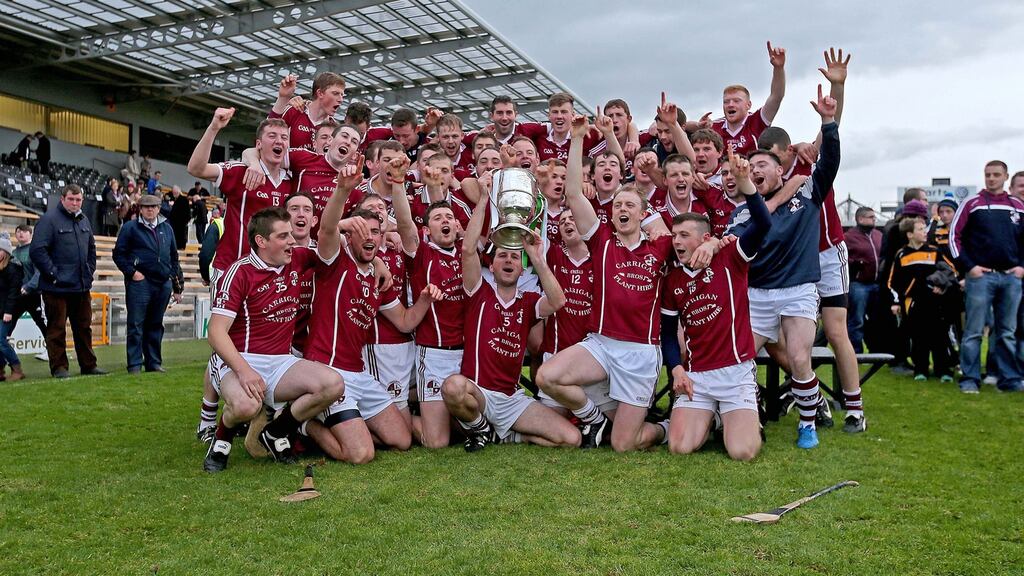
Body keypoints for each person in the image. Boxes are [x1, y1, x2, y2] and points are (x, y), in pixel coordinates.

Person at [536, 114, 676, 452]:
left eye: (630, 204)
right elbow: (572, 192)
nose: (622, 208)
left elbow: (694, 238)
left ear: (644, 214)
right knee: (546, 377)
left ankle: (665, 428)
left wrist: (714, 243)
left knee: (624, 445)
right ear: (611, 214)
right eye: (618, 205)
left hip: (640, 352)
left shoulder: (660, 246)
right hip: (601, 344)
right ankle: (593, 419)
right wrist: (578, 137)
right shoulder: (601, 241)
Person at [726, 84, 841, 449]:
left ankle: (808, 420)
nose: (756, 169)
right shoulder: (743, 210)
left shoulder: (806, 191)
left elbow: (830, 163)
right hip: (757, 294)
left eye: (764, 165)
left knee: (797, 357)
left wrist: (829, 124)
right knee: (739, 357)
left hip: (798, 289)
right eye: (752, 166)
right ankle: (746, 412)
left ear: (780, 171)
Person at [302, 160, 439, 462]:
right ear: (348, 235)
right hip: (329, 371)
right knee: (362, 454)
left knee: (401, 440)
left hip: (359, 374)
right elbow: (325, 228)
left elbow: (404, 322)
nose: (370, 237)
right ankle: (305, 425)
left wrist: (426, 301)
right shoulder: (334, 261)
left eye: (376, 232)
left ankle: (340, 424)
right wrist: (342, 190)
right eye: (362, 230)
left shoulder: (379, 277)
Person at [203, 207, 344, 472]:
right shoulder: (240, 273)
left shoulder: (297, 259)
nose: (292, 241)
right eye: (283, 236)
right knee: (246, 405)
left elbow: (330, 242)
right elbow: (216, 332)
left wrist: (379, 262)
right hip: (241, 359)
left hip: (280, 360)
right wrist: (244, 372)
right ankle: (221, 439)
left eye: (291, 234)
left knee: (333, 384)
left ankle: (276, 432)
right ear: (262, 241)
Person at [441, 196, 579, 451]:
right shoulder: (478, 292)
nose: (508, 261)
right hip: (478, 394)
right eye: (502, 256)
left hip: (511, 400)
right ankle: (479, 426)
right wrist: (483, 199)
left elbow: (558, 301)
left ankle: (500, 436)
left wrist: (536, 258)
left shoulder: (527, 302)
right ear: (491, 267)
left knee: (571, 439)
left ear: (520, 269)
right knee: (452, 387)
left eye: (514, 258)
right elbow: (468, 250)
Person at [661, 150, 771, 460]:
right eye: (674, 236)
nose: (677, 242)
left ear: (706, 237)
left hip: (735, 374)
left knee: (743, 452)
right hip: (698, 376)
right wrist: (677, 368)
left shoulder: (730, 257)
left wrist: (745, 182)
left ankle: (737, 416)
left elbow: (763, 224)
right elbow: (668, 334)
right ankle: (709, 416)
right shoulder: (672, 279)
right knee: (679, 447)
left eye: (684, 235)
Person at [949, 160, 1024, 393]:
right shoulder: (972, 203)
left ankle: (1009, 379)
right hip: (981, 277)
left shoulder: (1018, 206)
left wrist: (1022, 267)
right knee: (973, 331)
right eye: (987, 174)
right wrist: (969, 266)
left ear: (1005, 177)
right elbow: (954, 236)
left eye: (996, 174)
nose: (991, 178)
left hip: (1011, 278)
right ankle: (970, 379)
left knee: (1007, 332)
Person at [29, 184, 105, 378]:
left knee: (84, 329)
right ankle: (59, 367)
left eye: (78, 200)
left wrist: (89, 272)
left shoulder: (84, 220)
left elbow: (92, 250)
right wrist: (53, 275)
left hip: (80, 286)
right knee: (56, 329)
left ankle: (89, 365)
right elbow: (37, 250)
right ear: (62, 199)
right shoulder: (49, 220)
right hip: (56, 288)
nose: (75, 203)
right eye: (71, 199)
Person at [112, 194, 184, 373]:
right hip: (140, 282)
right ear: (140, 209)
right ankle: (135, 364)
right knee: (136, 324)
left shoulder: (167, 228)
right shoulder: (130, 228)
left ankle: (153, 362)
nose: (150, 210)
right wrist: (132, 273)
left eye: (153, 207)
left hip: (162, 283)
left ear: (159, 209)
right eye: (146, 207)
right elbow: (118, 254)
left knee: (155, 324)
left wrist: (176, 284)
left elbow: (174, 257)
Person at [886, 218, 956, 382]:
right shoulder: (901, 255)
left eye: (925, 229)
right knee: (919, 338)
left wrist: (942, 285)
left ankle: (943, 370)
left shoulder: (934, 251)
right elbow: (892, 282)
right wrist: (896, 301)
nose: (925, 232)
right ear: (910, 234)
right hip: (914, 303)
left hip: (936, 302)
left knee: (940, 336)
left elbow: (950, 271)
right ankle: (921, 370)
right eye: (920, 229)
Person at [706, 42, 787, 156]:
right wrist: (697, 126)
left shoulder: (757, 121)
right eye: (726, 101)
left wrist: (778, 68)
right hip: (724, 173)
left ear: (748, 105)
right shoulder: (714, 127)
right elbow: (685, 127)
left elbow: (776, 96)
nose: (730, 104)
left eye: (736, 101)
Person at [270, 73, 345, 150]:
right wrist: (283, 98)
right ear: (320, 93)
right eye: (335, 93)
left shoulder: (334, 128)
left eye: (342, 95)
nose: (341, 100)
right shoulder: (295, 111)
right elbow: (269, 130)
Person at [845, 206, 882, 353]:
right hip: (858, 284)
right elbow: (842, 257)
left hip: (876, 283)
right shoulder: (848, 237)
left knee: (876, 320)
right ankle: (856, 351)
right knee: (857, 320)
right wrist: (856, 263)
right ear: (860, 219)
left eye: (874, 217)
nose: (874, 219)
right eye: (871, 217)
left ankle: (876, 351)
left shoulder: (878, 235)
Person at [10, 225, 47, 340]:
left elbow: (39, 272)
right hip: (17, 295)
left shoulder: (34, 251)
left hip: (34, 295)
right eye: (18, 231)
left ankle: (52, 350)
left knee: (42, 323)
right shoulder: (14, 253)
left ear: (30, 234)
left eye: (25, 231)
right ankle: (4, 351)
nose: (21, 233)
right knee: (9, 323)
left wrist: (28, 286)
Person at [0, 238, 24, 381]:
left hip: (8, 311)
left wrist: (8, 312)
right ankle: (0, 369)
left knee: (1, 341)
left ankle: (16, 368)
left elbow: (13, 293)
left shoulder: (13, 268)